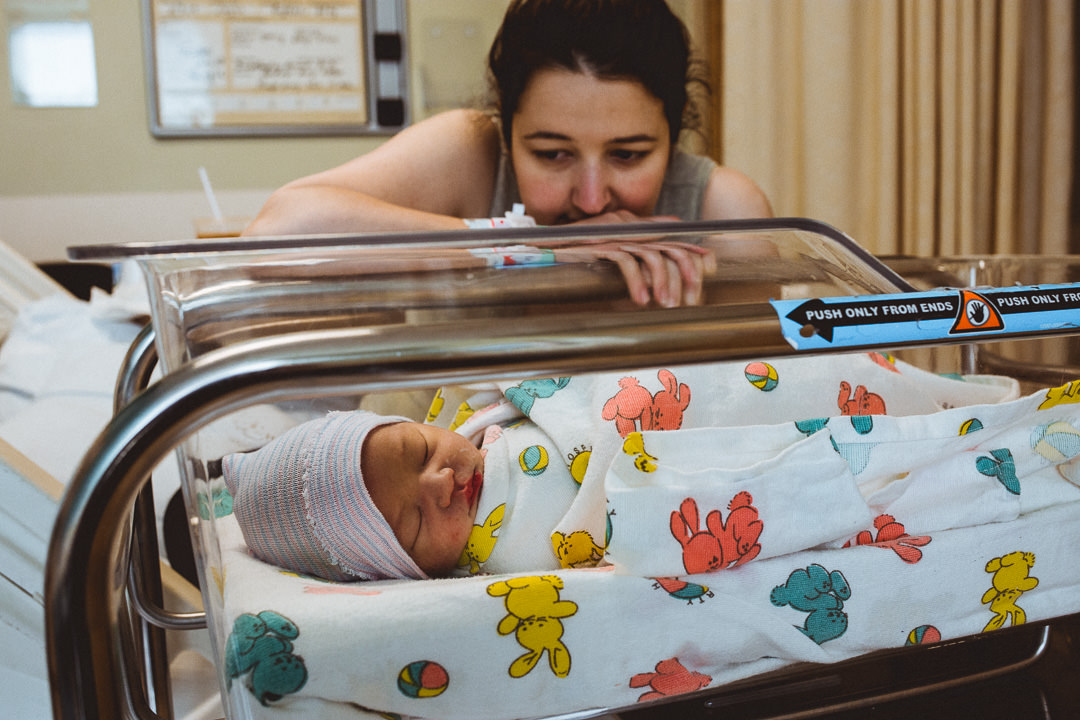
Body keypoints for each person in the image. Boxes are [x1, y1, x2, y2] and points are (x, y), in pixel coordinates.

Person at [221, 351, 1028, 582]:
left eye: (412, 451)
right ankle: (992, 421)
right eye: (411, 520)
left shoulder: (469, 417)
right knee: (843, 433)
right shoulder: (493, 557)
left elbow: (561, 376)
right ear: (404, 569)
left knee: (843, 379)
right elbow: (599, 533)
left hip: (697, 388)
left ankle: (970, 392)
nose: (438, 481)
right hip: (672, 449)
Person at [242, 0, 772, 308]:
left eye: (628, 156)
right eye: (552, 155)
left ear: (674, 135)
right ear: (507, 126)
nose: (591, 201)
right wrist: (528, 245)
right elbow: (273, 238)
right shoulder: (470, 150)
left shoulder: (721, 206)